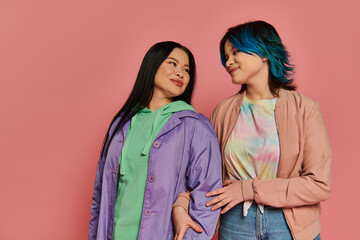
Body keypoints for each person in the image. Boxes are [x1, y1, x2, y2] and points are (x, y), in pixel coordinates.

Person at [172, 21, 332, 240]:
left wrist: (247, 189)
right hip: (236, 222)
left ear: (264, 52)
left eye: (236, 52)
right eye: (226, 56)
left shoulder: (304, 108)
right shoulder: (223, 112)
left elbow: (319, 184)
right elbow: (207, 175)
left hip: (290, 225)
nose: (228, 62)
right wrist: (181, 206)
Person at [88, 41, 222, 240]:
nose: (181, 73)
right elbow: (101, 193)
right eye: (172, 63)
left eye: (186, 70)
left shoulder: (195, 126)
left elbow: (208, 194)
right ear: (152, 65)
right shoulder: (122, 124)